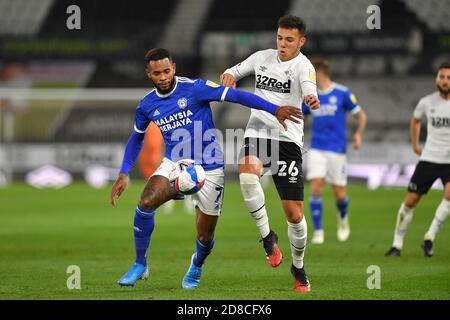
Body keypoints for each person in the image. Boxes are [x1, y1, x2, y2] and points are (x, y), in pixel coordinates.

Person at [110, 48, 302, 288]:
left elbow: (237, 96)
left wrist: (274, 109)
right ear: (148, 74)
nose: (163, 77)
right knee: (146, 202)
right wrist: (123, 172)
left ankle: (197, 264)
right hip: (175, 163)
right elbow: (136, 137)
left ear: (174, 68)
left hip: (210, 167)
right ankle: (140, 264)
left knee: (204, 236)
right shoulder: (147, 105)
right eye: (157, 73)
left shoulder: (195, 88)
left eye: (167, 71)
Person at [220, 15, 320, 292]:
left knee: (295, 216)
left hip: (287, 140)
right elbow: (234, 71)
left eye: (289, 39)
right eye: (279, 38)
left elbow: (310, 87)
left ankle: (298, 267)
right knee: (247, 176)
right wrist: (229, 75)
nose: (282, 44)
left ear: (301, 41)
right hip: (258, 133)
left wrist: (311, 98)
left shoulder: (304, 66)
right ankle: (267, 238)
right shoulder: (261, 57)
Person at [385, 62, 450, 257]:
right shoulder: (427, 102)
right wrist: (415, 144)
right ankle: (397, 244)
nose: (445, 81)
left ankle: (429, 237)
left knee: (448, 197)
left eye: (448, 77)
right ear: (436, 79)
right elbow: (415, 119)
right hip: (429, 159)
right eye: (442, 77)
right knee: (411, 200)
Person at [302, 59, 367, 244]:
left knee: (339, 193)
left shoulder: (342, 93)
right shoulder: (311, 97)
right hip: (317, 149)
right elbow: (302, 118)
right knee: (315, 186)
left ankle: (343, 218)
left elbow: (361, 116)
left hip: (337, 150)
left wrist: (358, 135)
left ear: (320, 73)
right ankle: (318, 231)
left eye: (311, 74)